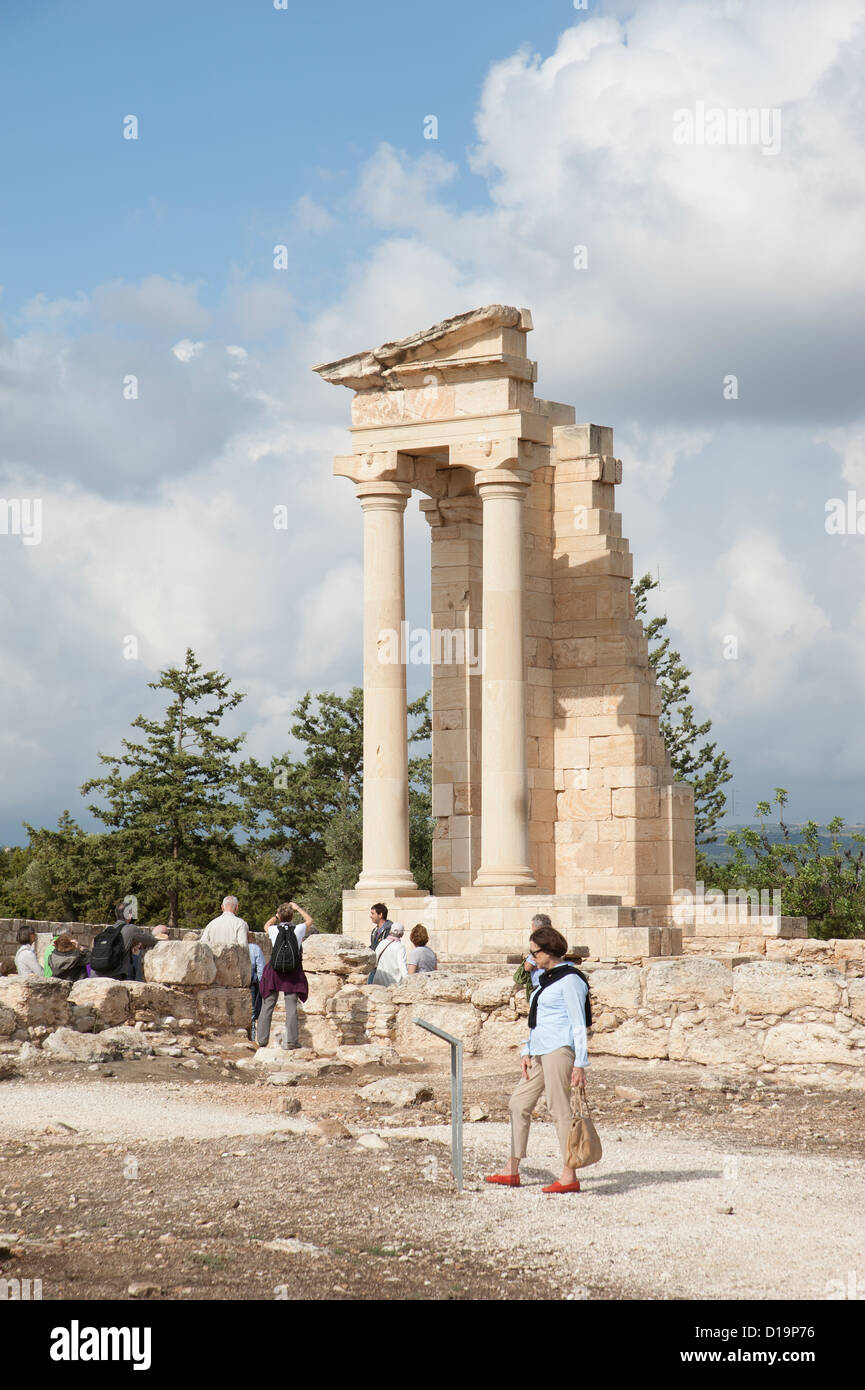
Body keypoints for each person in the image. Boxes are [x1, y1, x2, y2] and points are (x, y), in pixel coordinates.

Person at [484, 921, 589, 1196]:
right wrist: (526, 1049)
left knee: (559, 1109)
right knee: (518, 1103)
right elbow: (537, 1020)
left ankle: (569, 1175)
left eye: (535, 953)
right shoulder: (544, 980)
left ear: (549, 951)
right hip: (540, 1050)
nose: (532, 958)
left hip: (560, 1050)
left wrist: (581, 1062)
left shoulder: (571, 980)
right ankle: (511, 1169)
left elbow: (579, 1022)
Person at [256, 900, 313, 1049]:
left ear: (280, 917)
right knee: (291, 1006)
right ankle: (291, 1041)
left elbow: (266, 926)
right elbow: (309, 920)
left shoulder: (274, 930)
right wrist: (298, 908)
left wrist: (276, 915)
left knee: (268, 1004)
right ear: (292, 915)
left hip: (275, 971)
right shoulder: (299, 929)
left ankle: (262, 1040)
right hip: (293, 971)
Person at [91, 900, 165, 981]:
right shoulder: (131, 929)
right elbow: (151, 940)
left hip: (96, 974)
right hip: (114, 975)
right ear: (129, 915)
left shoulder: (107, 930)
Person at [248, 937, 266, 1042]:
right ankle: (253, 1039)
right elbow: (261, 970)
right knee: (253, 1012)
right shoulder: (254, 948)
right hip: (251, 984)